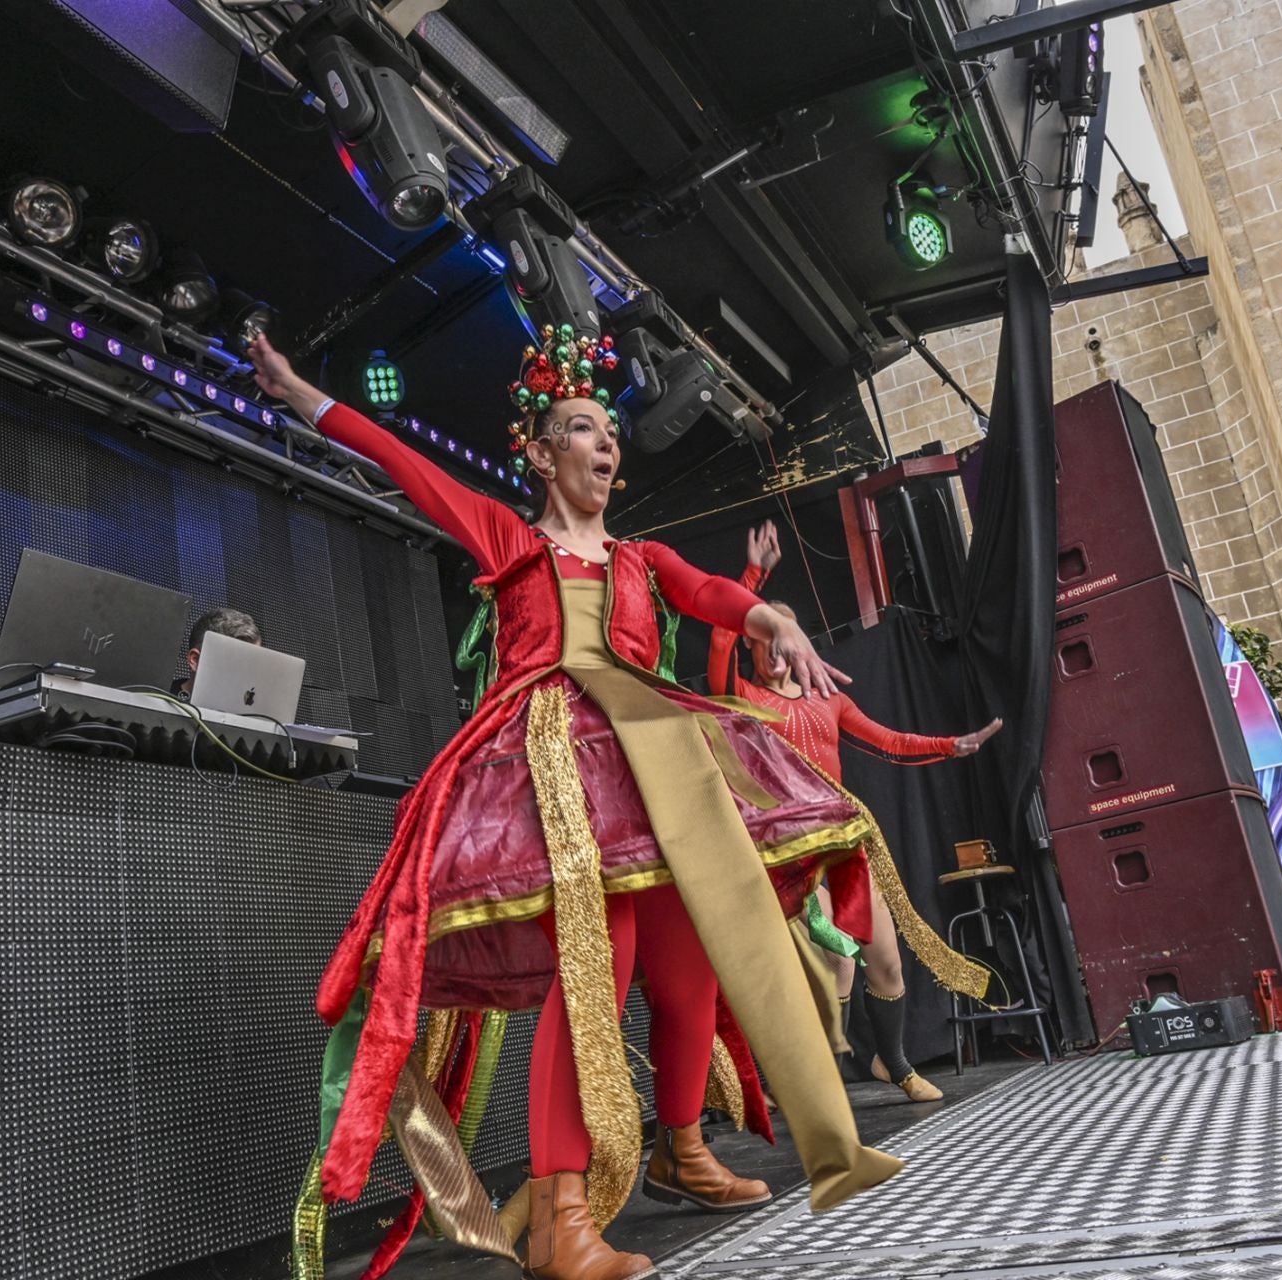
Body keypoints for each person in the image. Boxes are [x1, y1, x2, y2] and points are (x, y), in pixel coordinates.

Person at [251, 330, 918, 1279]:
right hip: (558, 777)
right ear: (541, 453)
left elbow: (712, 592)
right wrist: (307, 396)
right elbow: (404, 463)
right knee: (596, 972)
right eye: (581, 430)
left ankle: (683, 1155)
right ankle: (562, 1221)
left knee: (691, 966)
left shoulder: (642, 560)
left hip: (656, 772)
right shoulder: (510, 541)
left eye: (610, 435)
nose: (604, 447)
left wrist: (773, 616)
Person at [706, 520, 1003, 1103]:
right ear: (752, 640)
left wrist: (951, 745)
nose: (773, 651)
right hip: (784, 851)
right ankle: (800, 1075)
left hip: (844, 842)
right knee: (830, 962)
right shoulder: (741, 697)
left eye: (783, 640)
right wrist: (754, 575)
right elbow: (717, 639)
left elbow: (889, 741)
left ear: (799, 646)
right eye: (762, 638)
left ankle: (890, 1062)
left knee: (885, 963)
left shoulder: (828, 698)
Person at [173, 606, 261, 696]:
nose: (246, 677)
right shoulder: (161, 702)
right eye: (235, 665)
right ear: (195, 660)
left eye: (252, 666)